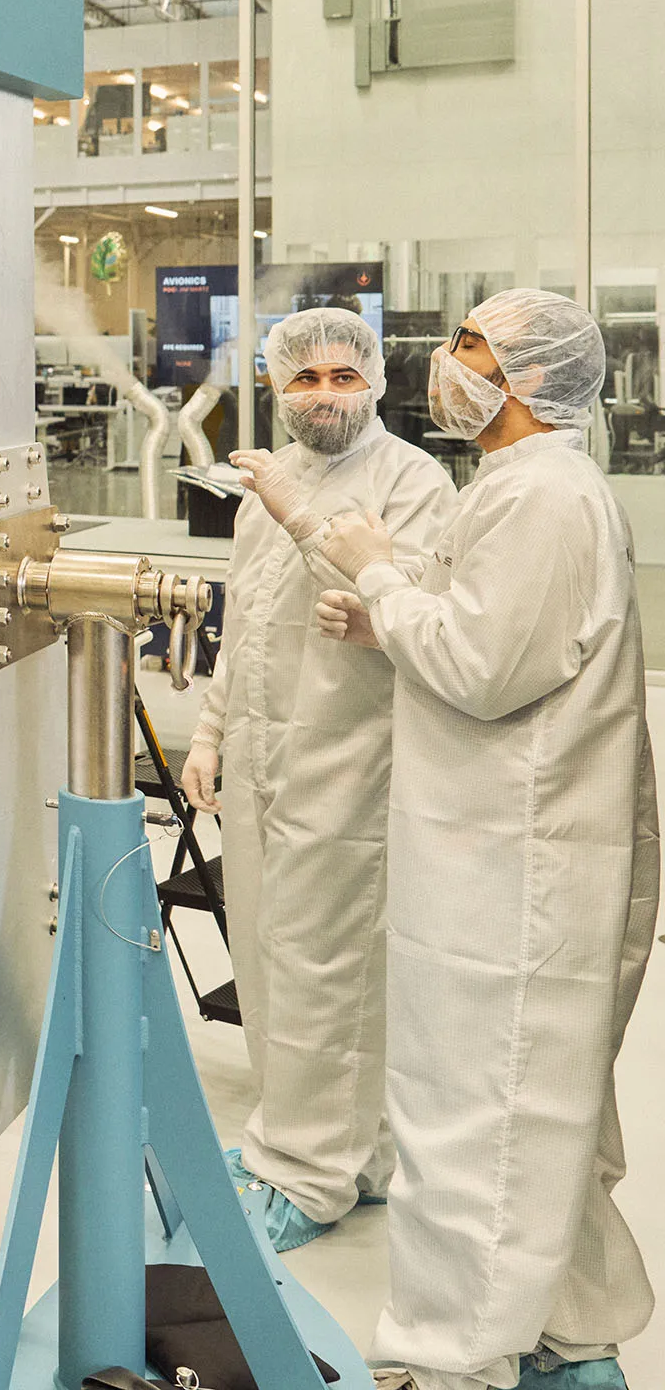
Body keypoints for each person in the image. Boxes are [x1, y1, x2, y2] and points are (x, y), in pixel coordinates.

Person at [316, 289, 658, 1390]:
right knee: (531, 1113)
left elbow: (481, 666)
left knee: (478, 1121)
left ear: (528, 379)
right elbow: (483, 627)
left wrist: (376, 568)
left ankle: (450, 1359)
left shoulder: (546, 495)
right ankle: (571, 1328)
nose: (442, 361)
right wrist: (394, 608)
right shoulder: (514, 486)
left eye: (470, 345)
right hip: (494, 848)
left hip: (513, 868)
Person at [176, 306, 457, 1252]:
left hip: (351, 764)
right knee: (264, 958)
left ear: (375, 383)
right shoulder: (270, 481)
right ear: (274, 385)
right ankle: (316, 1147)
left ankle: (310, 1173)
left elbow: (411, 611)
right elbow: (242, 622)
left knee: (326, 970)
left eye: (344, 377)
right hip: (263, 763)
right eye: (306, 379)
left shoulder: (411, 481)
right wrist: (210, 734)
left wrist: (312, 529)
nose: (326, 394)